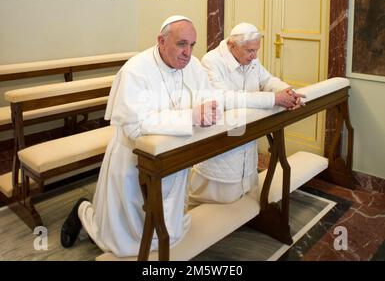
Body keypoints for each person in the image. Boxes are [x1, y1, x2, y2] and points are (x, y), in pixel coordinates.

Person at [60, 15, 221, 257]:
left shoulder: (193, 65)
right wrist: (191, 116)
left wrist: (209, 108)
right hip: (134, 160)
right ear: (161, 40)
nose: (188, 53)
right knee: (124, 233)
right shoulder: (136, 70)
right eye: (181, 44)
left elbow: (206, 96)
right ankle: (82, 212)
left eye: (192, 45)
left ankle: (160, 240)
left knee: (167, 218)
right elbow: (136, 126)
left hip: (173, 156)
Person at [188, 22, 305, 206]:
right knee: (213, 203)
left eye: (256, 50)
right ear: (232, 46)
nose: (255, 56)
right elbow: (224, 99)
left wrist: (286, 90)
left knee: (245, 198)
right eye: (251, 51)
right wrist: (273, 99)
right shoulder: (211, 61)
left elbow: (267, 79)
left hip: (247, 131)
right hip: (222, 134)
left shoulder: (250, 58)